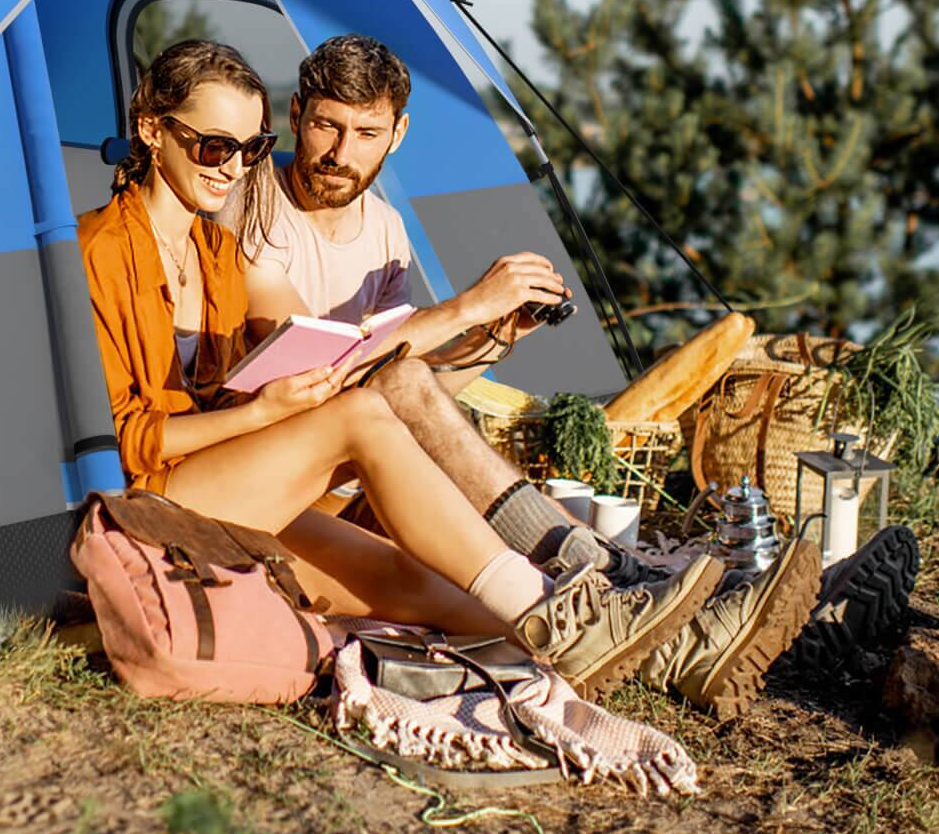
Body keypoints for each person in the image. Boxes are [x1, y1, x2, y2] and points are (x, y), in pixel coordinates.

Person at [223, 32, 909, 714]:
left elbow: (405, 395)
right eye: (325, 126)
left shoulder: (382, 227)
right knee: (502, 583)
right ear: (295, 118)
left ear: (397, 134)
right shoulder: (248, 206)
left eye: (365, 133)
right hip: (284, 484)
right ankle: (661, 604)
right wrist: (464, 307)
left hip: (356, 470)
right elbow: (328, 375)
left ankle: (652, 592)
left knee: (417, 405)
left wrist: (488, 343)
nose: (341, 153)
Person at [78, 38, 729, 706]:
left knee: (419, 587)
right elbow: (124, 441)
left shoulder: (213, 250)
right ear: (152, 129)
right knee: (361, 413)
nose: (235, 168)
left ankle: (671, 653)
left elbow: (333, 383)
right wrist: (261, 414)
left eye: (250, 149)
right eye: (215, 147)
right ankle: (582, 600)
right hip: (148, 500)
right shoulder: (99, 252)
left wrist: (483, 343)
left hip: (239, 484)